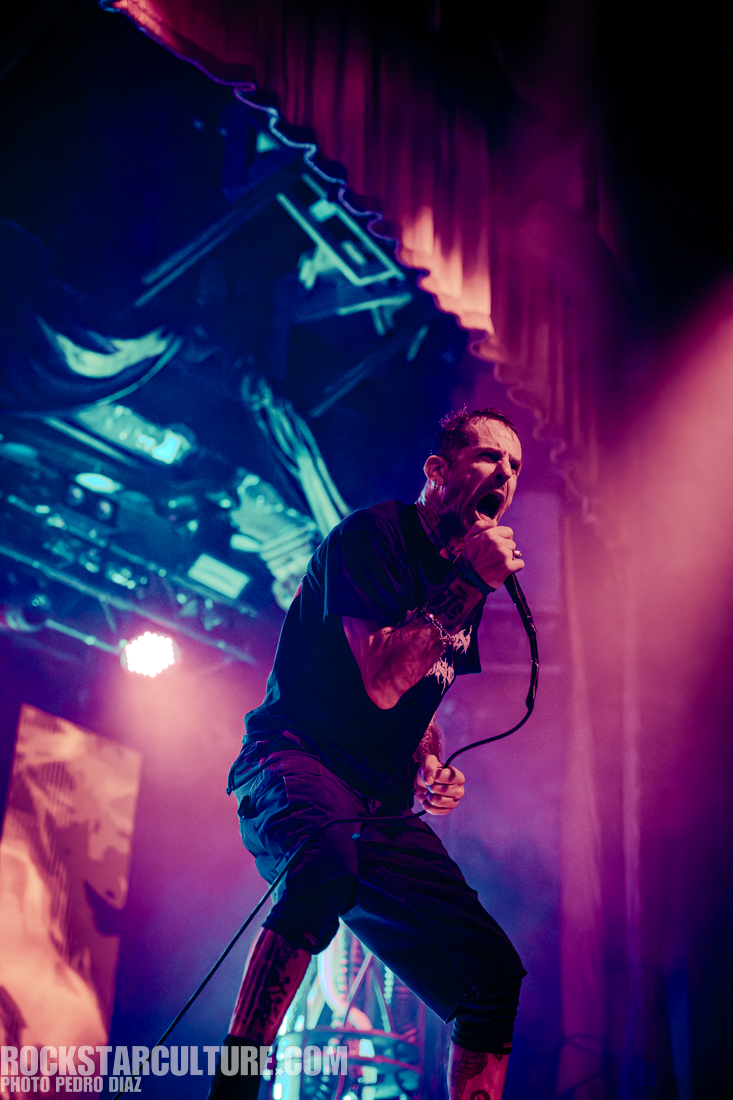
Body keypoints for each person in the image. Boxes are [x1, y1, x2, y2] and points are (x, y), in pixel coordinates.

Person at [210, 408, 528, 1100]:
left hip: (377, 801)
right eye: (488, 457)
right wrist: (470, 585)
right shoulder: (375, 535)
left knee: (489, 976)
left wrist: (427, 763)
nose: (504, 474)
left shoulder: (461, 583)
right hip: (294, 759)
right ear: (438, 471)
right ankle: (232, 1088)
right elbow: (383, 680)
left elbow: (418, 702)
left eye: (514, 467)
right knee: (322, 867)